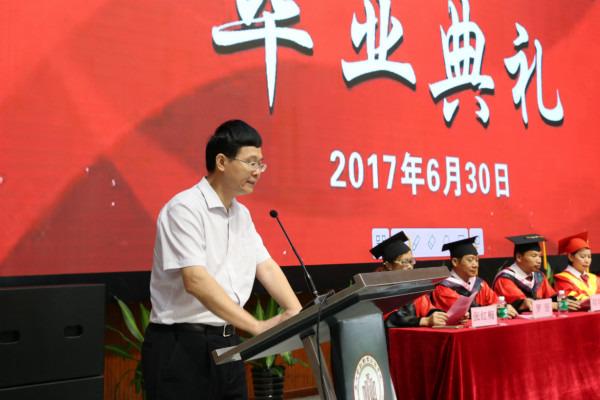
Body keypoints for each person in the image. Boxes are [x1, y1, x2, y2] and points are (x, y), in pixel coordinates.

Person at [141, 120, 302, 400]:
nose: (257, 171)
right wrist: (257, 327)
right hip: (182, 347)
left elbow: (265, 266)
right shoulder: (185, 208)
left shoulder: (242, 215)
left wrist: (296, 312)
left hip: (228, 344)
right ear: (222, 162)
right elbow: (195, 280)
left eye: (261, 164)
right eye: (251, 162)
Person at [370, 231, 448, 328]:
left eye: (411, 261)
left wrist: (444, 316)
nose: (410, 266)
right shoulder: (380, 288)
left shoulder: (414, 287)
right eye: (404, 262)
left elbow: (428, 310)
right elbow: (391, 319)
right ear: (389, 265)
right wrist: (424, 321)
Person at [432, 237, 518, 318]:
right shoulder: (444, 287)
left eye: (477, 260)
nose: (475, 265)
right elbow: (460, 314)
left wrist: (502, 307)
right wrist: (492, 309)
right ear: (455, 262)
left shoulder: (479, 284)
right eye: (470, 260)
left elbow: (496, 302)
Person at [492, 234, 579, 312]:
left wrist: (569, 301)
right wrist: (555, 305)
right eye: (534, 256)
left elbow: (550, 296)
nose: (539, 260)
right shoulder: (505, 278)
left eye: (540, 256)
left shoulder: (539, 276)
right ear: (519, 257)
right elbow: (524, 303)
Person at [554, 232, 598, 300]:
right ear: (571, 257)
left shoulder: (594, 279)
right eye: (582, 257)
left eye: (589, 257)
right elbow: (573, 299)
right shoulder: (564, 280)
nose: (587, 261)